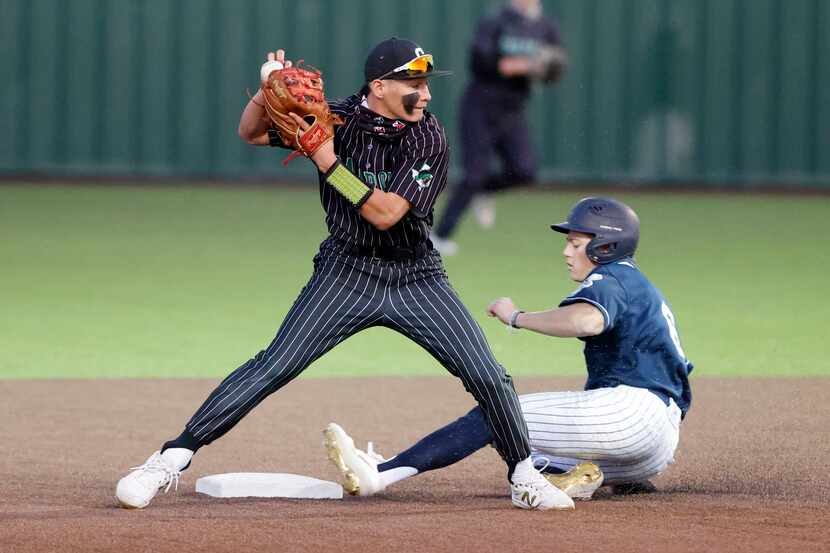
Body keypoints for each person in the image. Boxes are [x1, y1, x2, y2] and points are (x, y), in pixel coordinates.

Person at [115, 38, 571, 511]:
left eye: (426, 84)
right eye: (414, 83)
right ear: (379, 86)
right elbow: (250, 133)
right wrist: (265, 89)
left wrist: (327, 160)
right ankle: (170, 458)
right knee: (275, 365)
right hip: (346, 272)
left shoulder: (428, 137)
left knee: (488, 376)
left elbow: (387, 214)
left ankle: (523, 474)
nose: (426, 94)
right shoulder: (334, 119)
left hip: (417, 278)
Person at [325, 197, 693, 500]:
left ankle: (380, 474)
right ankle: (588, 478)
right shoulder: (637, 283)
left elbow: (586, 321)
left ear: (606, 246)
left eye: (576, 243)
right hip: (656, 447)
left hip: (631, 414)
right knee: (520, 450)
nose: (566, 252)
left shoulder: (612, 277)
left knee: (497, 414)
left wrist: (516, 316)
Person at [431, 0, 567, 255]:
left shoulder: (545, 27)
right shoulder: (495, 21)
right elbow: (481, 62)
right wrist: (526, 65)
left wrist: (549, 68)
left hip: (513, 107)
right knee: (474, 174)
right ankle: (438, 236)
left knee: (524, 171)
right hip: (480, 105)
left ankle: (484, 191)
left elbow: (556, 66)